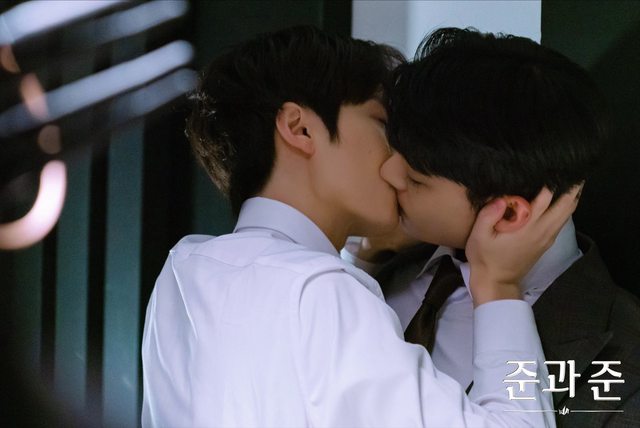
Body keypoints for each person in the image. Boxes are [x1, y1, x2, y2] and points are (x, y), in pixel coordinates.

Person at [141, 25, 578, 427]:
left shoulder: (184, 272)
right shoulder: (321, 292)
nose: (396, 162)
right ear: (300, 128)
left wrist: (362, 259)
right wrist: (499, 288)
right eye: (382, 123)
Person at [346, 28, 640, 427]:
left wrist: (497, 291)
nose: (387, 172)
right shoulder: (382, 266)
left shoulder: (625, 363)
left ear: (509, 214)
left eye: (416, 179)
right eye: (394, 147)